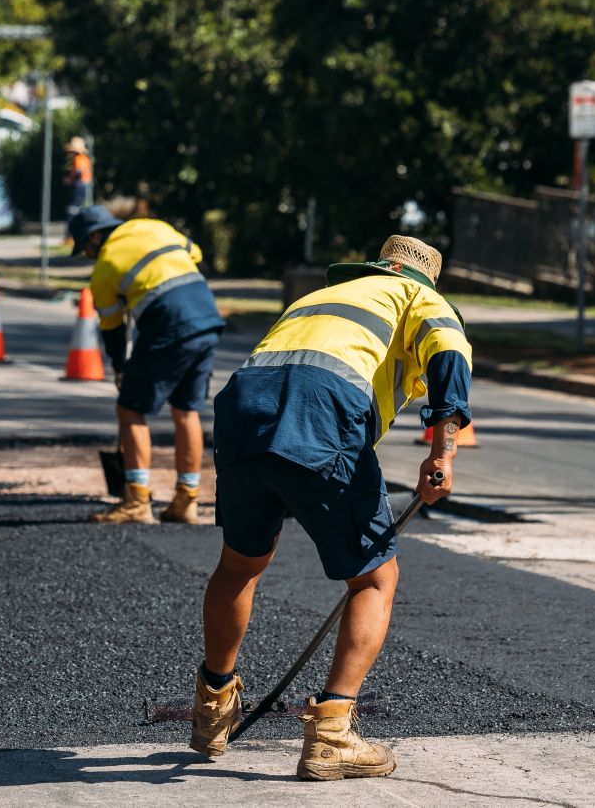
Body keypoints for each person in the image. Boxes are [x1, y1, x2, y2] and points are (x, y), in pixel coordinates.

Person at [189, 235, 470, 781]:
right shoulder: (421, 299)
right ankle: (332, 735)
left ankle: (212, 708)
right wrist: (442, 455)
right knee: (374, 580)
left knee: (240, 563)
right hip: (323, 414)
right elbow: (450, 361)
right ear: (424, 279)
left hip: (242, 410)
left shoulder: (320, 300)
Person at [68, 205, 225, 525]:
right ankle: (186, 500)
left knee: (130, 409)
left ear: (96, 237)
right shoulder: (153, 226)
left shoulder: (105, 267)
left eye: (84, 246)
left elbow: (112, 327)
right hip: (207, 318)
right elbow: (192, 254)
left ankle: (137, 500)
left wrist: (120, 368)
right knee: (185, 409)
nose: (86, 254)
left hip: (168, 324)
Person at [63, 136, 93, 218]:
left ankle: (72, 222)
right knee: (81, 205)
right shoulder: (86, 159)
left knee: (74, 208)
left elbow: (78, 171)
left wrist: (70, 179)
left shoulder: (77, 158)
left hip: (80, 184)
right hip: (86, 184)